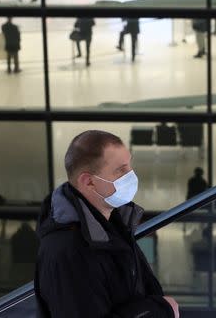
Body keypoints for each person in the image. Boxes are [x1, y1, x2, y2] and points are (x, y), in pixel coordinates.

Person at [35, 130, 179, 318]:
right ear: (89, 182)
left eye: (130, 165)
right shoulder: (67, 251)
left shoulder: (112, 222)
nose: (131, 175)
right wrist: (160, 311)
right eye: (120, 170)